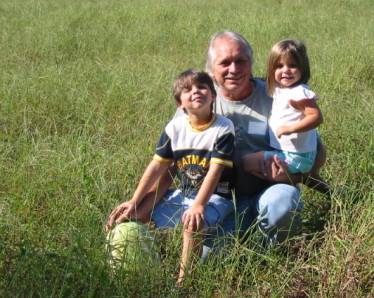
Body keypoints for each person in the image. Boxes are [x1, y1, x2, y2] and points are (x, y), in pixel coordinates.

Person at [107, 30, 327, 255]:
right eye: (225, 63)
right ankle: (232, 244)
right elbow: (170, 165)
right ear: (211, 71)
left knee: (283, 200)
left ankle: (274, 256)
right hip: (216, 200)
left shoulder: (277, 95)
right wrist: (140, 205)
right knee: (209, 261)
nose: (234, 69)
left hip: (265, 193)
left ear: (251, 63)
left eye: (240, 61)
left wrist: (294, 176)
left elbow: (315, 150)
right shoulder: (198, 103)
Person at [106, 69, 235, 284]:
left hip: (216, 198)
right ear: (180, 104)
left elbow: (215, 172)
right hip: (183, 194)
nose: (196, 92)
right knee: (133, 215)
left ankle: (183, 282)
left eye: (202, 87)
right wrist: (134, 201)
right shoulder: (174, 128)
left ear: (213, 96)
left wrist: (199, 205)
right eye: (188, 90)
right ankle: (139, 271)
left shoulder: (223, 127)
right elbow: (157, 166)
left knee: (192, 224)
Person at [242, 40, 324, 178]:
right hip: (293, 153)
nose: (285, 70)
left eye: (292, 65)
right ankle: (330, 192)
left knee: (246, 162)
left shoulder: (298, 93)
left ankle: (273, 181)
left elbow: (316, 117)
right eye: (279, 66)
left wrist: (290, 128)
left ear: (303, 68)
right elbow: (265, 80)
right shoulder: (282, 88)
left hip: (294, 156)